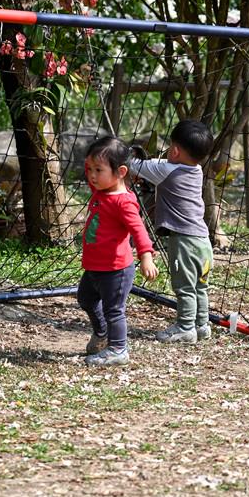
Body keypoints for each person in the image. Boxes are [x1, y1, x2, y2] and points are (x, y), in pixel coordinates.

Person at [128, 119, 214, 344]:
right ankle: (201, 325)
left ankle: (185, 327)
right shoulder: (197, 170)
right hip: (203, 242)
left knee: (184, 287)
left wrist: (124, 154)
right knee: (200, 286)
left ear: (174, 151)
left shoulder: (166, 171)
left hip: (184, 242)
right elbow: (160, 164)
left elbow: (134, 165)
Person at [79, 136, 159, 367]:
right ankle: (102, 332)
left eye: (98, 170)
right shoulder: (101, 190)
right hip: (95, 267)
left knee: (114, 310)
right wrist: (92, 163)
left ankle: (118, 349)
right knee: (86, 299)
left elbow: (139, 230)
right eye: (90, 169)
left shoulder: (123, 202)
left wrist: (146, 256)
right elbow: (92, 170)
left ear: (121, 172)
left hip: (116, 270)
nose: (92, 175)